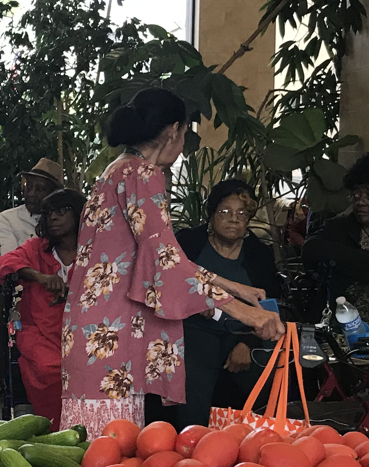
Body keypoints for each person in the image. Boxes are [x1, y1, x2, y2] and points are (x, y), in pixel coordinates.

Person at [60, 87, 284, 439]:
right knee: (109, 449)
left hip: (94, 327)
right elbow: (164, 261)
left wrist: (234, 287)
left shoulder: (116, 171)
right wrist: (245, 313)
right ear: (173, 130)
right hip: (112, 333)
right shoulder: (143, 174)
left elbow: (162, 255)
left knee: (89, 443)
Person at [176, 180, 283, 428]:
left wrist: (248, 344)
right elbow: (169, 283)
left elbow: (269, 304)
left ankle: (257, 438)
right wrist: (194, 302)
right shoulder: (189, 242)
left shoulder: (259, 253)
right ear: (212, 214)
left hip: (245, 332)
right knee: (193, 375)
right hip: (195, 328)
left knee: (265, 372)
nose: (234, 218)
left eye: (242, 213)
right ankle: (191, 437)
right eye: (225, 211)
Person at [0, 189, 86, 425]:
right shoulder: (37, 247)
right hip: (38, 329)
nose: (52, 217)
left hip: (85, 330)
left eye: (61, 211)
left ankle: (84, 425)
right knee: (49, 367)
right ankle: (55, 427)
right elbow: (4, 263)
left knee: (88, 367)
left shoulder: (95, 250)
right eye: (48, 213)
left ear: (79, 214)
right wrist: (39, 277)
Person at [302, 152, 369, 314]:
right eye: (356, 194)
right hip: (342, 318)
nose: (360, 201)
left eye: (368, 195)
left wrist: (340, 261)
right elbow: (311, 249)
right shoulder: (340, 226)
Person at [0, 158, 63, 255]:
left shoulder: (63, 222)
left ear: (54, 193)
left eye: (40, 189)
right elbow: (9, 259)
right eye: (29, 187)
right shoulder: (9, 218)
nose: (31, 194)